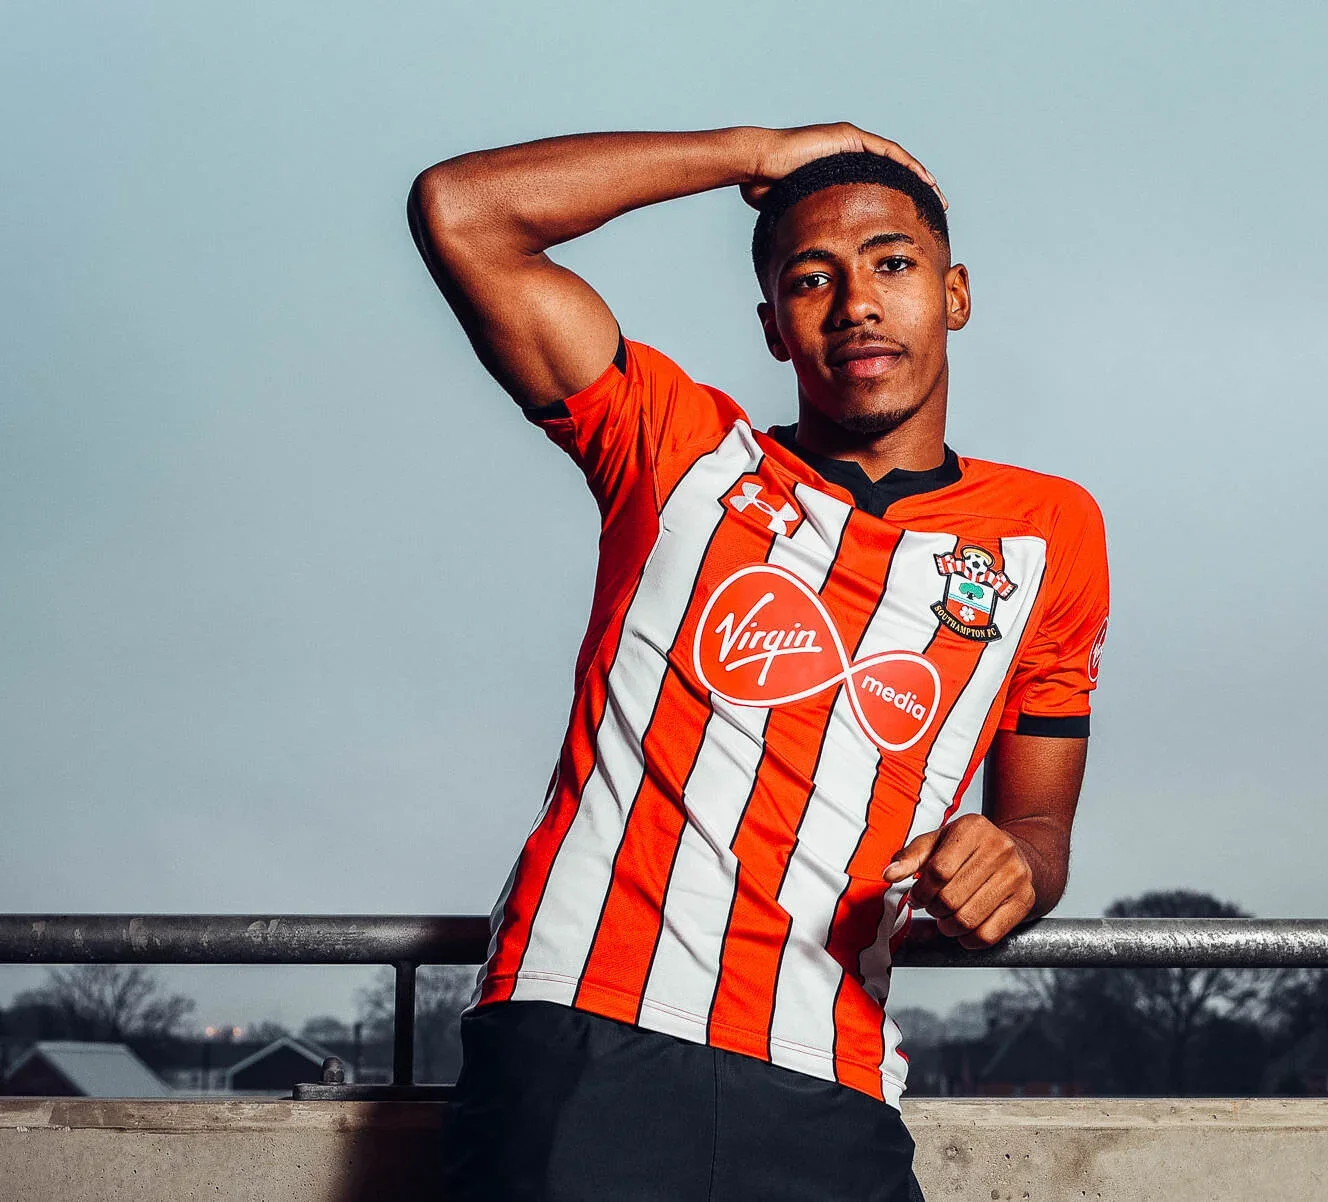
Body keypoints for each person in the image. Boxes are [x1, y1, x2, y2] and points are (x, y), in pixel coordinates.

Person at [409, 124, 1109, 1202]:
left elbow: (1042, 828)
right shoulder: (675, 446)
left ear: (955, 293)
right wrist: (754, 151)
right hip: (584, 1029)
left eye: (892, 263)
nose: (857, 303)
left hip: (833, 1073)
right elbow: (462, 212)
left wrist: (1012, 866)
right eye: (811, 279)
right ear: (774, 326)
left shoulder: (1049, 532)